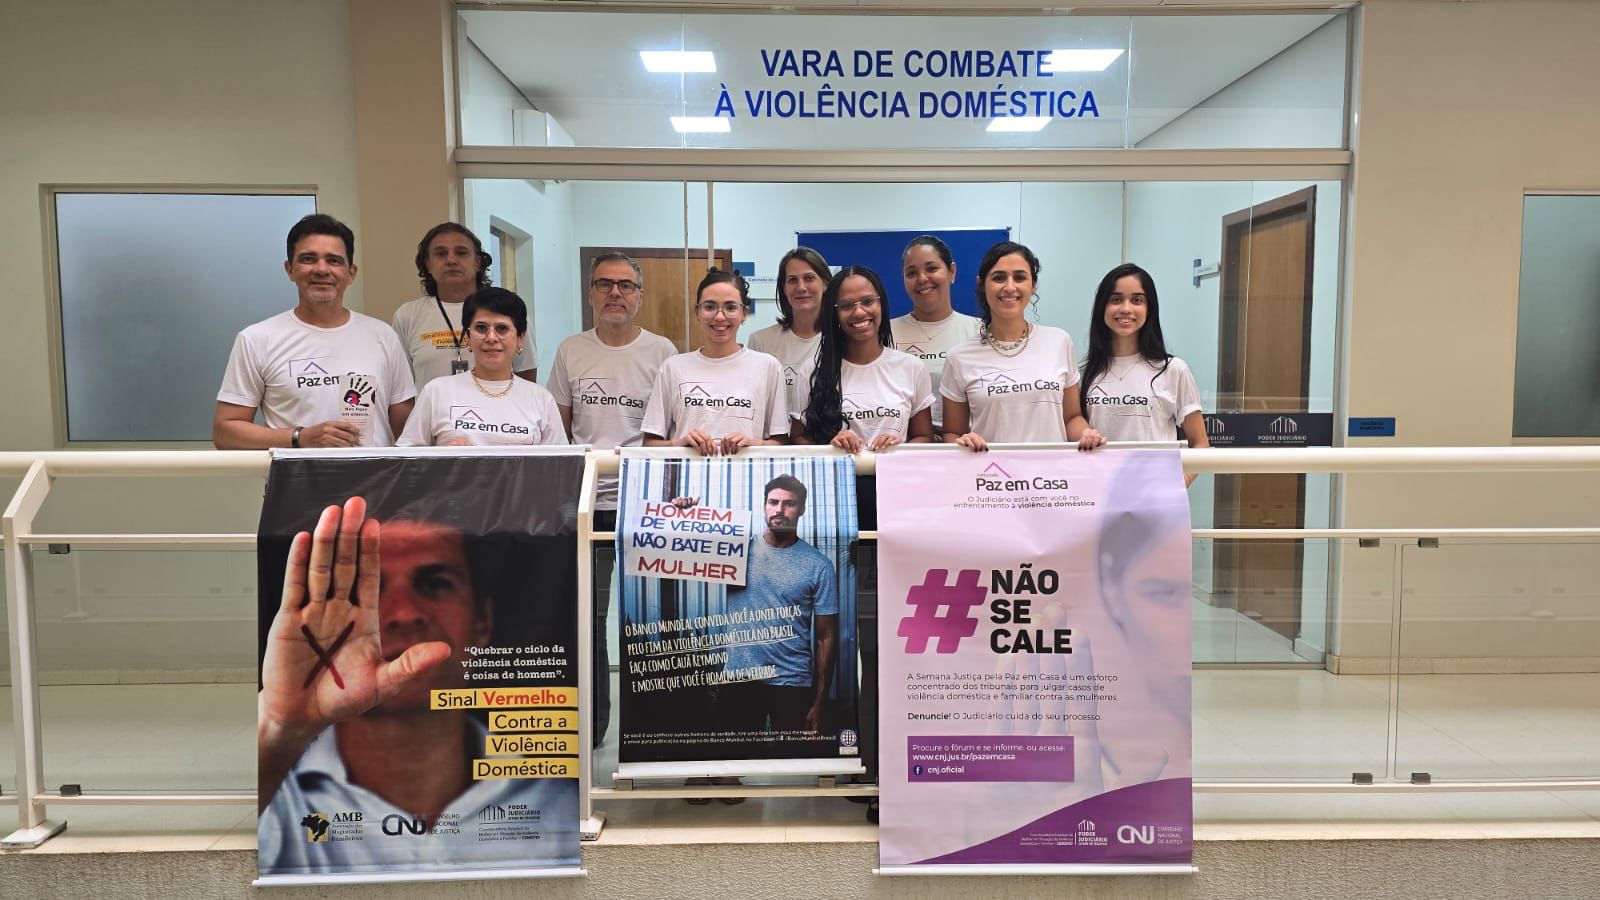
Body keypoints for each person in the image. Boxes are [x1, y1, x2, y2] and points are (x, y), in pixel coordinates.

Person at [256, 497, 577, 873]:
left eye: (435, 584)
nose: (405, 613)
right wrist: (279, 728)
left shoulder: (562, 801)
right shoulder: (273, 789)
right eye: (371, 588)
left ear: (482, 621)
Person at [547, 252, 676, 746]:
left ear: (640, 294)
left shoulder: (662, 352)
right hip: (589, 504)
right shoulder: (570, 350)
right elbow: (558, 429)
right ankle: (597, 728)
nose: (615, 293)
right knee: (592, 616)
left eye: (625, 285)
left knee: (655, 619)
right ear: (590, 293)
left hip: (648, 503)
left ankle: (658, 729)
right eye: (604, 284)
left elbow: (670, 428)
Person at [215, 214, 415, 449]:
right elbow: (225, 432)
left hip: (375, 473)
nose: (321, 269)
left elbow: (409, 432)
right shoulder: (257, 339)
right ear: (290, 269)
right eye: (308, 259)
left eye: (334, 260)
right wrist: (300, 437)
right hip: (296, 474)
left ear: (351, 273)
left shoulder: (383, 336)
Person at [940, 240, 1105, 451]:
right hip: (992, 471)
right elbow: (952, 433)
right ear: (982, 284)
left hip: (1052, 470)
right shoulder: (959, 357)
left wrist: (1085, 434)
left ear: (1033, 285)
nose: (1010, 287)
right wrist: (963, 442)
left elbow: (1071, 417)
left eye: (1019, 277)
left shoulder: (1059, 341)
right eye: (999, 278)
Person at [718, 475, 840, 736]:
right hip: (740, 677)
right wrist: (681, 512)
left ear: (802, 509)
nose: (779, 510)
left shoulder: (819, 566)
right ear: (764, 506)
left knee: (792, 757)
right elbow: (679, 551)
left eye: (789, 504)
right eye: (773, 502)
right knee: (733, 760)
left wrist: (820, 701)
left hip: (792, 681)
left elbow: (826, 637)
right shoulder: (734, 552)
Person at [1079, 263, 1209, 484]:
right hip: (1100, 493)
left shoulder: (1173, 370)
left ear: (1149, 308)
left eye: (1137, 300)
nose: (1126, 308)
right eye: (1116, 299)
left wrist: (1177, 486)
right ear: (1102, 307)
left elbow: (1200, 444)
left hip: (1156, 495)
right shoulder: (1084, 374)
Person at [641, 269, 789, 454]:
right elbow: (649, 444)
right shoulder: (673, 368)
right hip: (688, 472)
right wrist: (679, 443)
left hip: (745, 472)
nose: (719, 317)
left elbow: (781, 444)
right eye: (710, 307)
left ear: (744, 313)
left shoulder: (768, 367)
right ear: (697, 312)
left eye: (730, 307)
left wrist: (752, 443)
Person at [397, 287, 566, 447]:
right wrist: (441, 455)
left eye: (502, 328)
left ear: (520, 338)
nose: (491, 337)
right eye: (481, 328)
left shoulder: (542, 400)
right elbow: (405, 460)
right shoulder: (436, 392)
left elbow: (560, 464)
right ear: (468, 337)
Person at [795, 266, 934, 452]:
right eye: (846, 306)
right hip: (838, 471)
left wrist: (899, 447)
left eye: (868, 301)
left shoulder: (912, 367)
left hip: (894, 470)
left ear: (881, 304)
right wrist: (831, 447)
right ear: (834, 313)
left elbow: (924, 436)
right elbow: (797, 437)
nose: (859, 312)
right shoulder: (811, 371)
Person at [391, 223, 536, 390]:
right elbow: (402, 386)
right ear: (428, 264)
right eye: (440, 253)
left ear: (478, 262)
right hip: (431, 406)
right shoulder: (407, 315)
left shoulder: (509, 310)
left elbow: (526, 376)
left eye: (461, 252)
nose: (451, 260)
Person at [891, 235, 981, 437]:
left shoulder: (980, 331)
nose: (922, 278)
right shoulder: (885, 333)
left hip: (966, 444)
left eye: (931, 268)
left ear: (952, 272)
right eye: (911, 273)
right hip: (904, 445)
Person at [748, 247, 830, 417]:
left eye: (809, 278)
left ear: (825, 284)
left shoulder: (841, 339)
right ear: (784, 288)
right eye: (792, 280)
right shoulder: (761, 341)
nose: (801, 287)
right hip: (776, 434)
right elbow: (754, 404)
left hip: (830, 434)